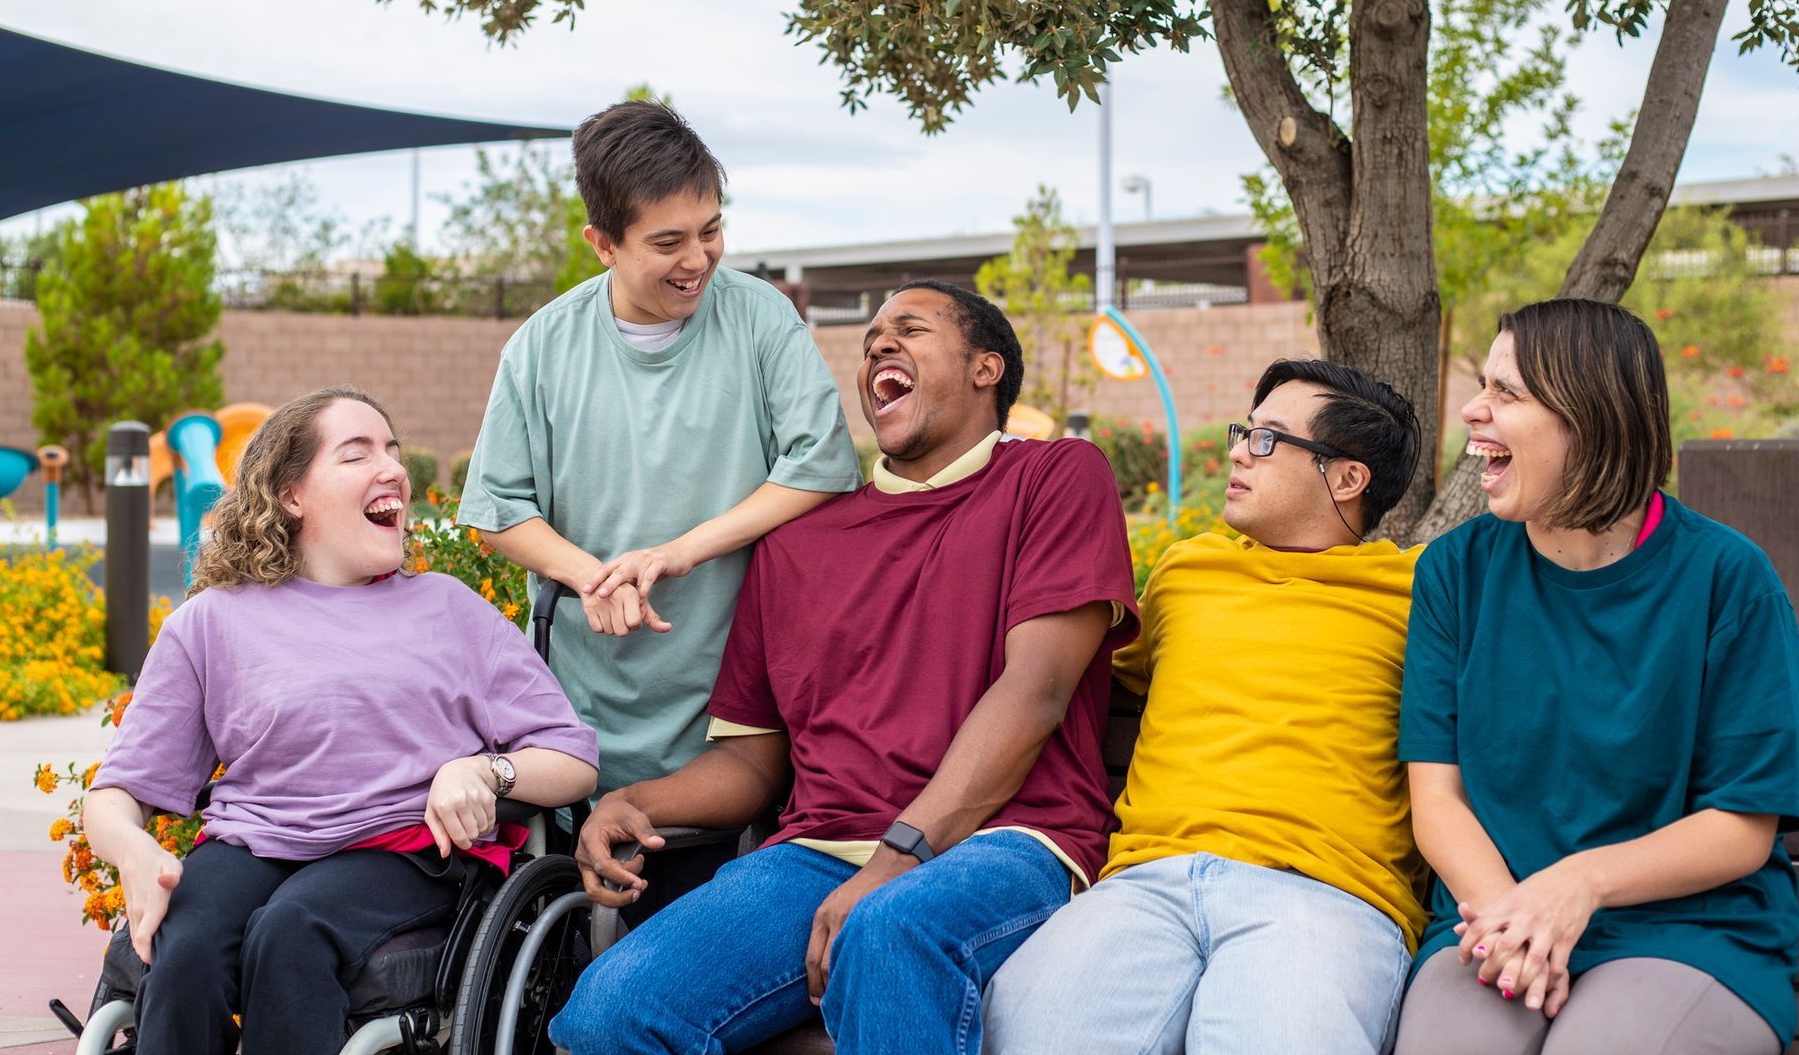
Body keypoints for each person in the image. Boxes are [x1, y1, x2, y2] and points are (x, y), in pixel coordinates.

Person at [547, 280, 1138, 1054]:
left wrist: (895, 861)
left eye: (911, 330)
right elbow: (756, 764)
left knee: (887, 931)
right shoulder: (797, 543)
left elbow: (1036, 694)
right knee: (608, 1014)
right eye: (869, 342)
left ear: (987, 369)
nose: (879, 347)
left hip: (1005, 841)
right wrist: (638, 802)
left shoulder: (1055, 478)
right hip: (817, 855)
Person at [83, 387, 599, 1055]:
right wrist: (133, 850)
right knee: (184, 952)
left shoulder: (448, 611)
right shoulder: (212, 622)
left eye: (392, 450)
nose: (392, 469)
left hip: (404, 851)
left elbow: (573, 758)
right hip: (255, 843)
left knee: (291, 933)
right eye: (358, 454)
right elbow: (115, 794)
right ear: (291, 494)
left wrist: (486, 770)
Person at [457, 100, 862, 916]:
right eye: (668, 243)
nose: (698, 260)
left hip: (730, 713)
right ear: (603, 244)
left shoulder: (758, 318)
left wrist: (680, 552)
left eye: (710, 231)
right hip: (583, 708)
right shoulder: (542, 345)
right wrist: (590, 576)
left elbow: (822, 466)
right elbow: (495, 510)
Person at [1393, 298, 1799, 1055]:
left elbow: (1742, 827)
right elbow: (1438, 795)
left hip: (1686, 933)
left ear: (1589, 418)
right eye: (1483, 386)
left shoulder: (1728, 578)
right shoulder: (1453, 574)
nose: (1473, 409)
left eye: (1507, 392)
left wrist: (1577, 886)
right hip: (1492, 917)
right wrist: (1514, 920)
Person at [984, 358, 1426, 1053]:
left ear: (1348, 478)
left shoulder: (1421, 593)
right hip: (1144, 883)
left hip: (1321, 892)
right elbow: (1077, 681)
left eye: (1269, 439)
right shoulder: (1187, 571)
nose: (1238, 453)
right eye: (1244, 432)